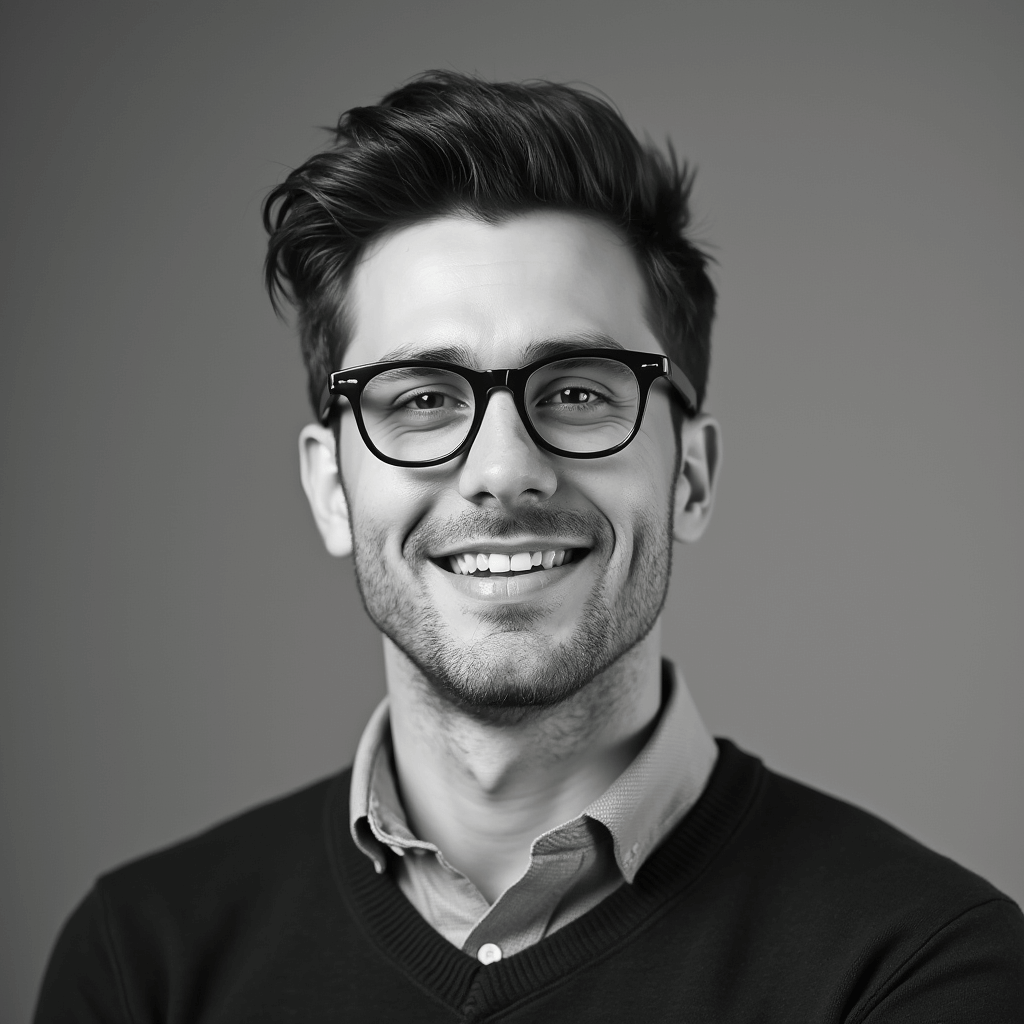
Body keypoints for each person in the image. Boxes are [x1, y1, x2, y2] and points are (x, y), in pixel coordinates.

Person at [35, 71, 1024, 1023]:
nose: (502, 469)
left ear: (690, 474)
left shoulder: (917, 963)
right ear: (331, 489)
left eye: (582, 390)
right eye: (421, 398)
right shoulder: (142, 963)